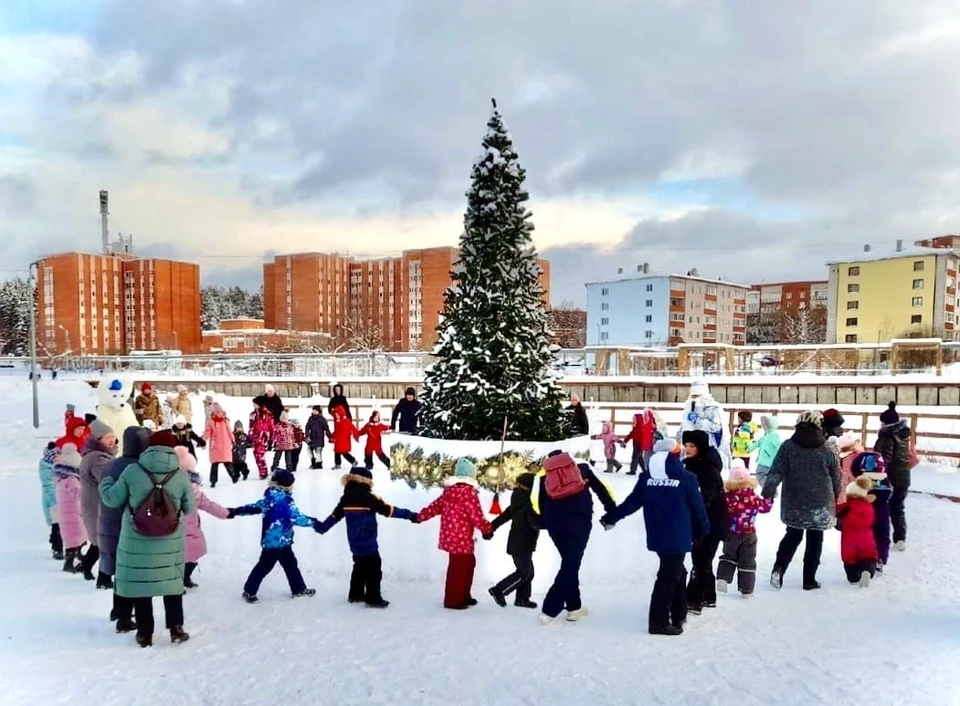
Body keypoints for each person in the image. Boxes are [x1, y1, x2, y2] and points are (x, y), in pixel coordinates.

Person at [600, 439, 709, 636]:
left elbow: (631, 503)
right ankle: (658, 622)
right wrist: (703, 530)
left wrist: (611, 517)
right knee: (668, 577)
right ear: (676, 456)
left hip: (657, 535)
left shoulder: (646, 478)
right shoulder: (686, 478)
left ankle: (679, 612)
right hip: (678, 536)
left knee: (677, 572)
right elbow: (698, 508)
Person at [99, 430, 197, 647]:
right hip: (169, 540)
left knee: (141, 585)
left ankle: (145, 633)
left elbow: (111, 499)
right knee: (171, 584)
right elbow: (190, 507)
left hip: (136, 539)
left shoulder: (132, 471)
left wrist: (105, 481)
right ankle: (176, 629)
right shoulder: (180, 474)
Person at [315, 467, 418, 608]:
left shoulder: (346, 498)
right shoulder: (368, 498)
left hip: (354, 541)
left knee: (359, 566)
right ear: (366, 481)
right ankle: (373, 598)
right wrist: (410, 515)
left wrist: (322, 528)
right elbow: (389, 511)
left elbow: (334, 517)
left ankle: (355, 595)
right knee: (374, 569)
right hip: (368, 540)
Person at [762, 410, 840, 591]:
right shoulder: (828, 448)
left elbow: (776, 471)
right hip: (821, 502)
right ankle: (809, 580)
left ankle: (779, 568)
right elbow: (836, 477)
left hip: (794, 500)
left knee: (792, 535)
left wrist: (768, 492)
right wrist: (837, 497)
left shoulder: (788, 446)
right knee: (815, 539)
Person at [535, 450, 616, 624]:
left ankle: (574, 607)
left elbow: (537, 501)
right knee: (571, 563)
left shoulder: (543, 474)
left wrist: (544, 522)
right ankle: (550, 609)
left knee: (570, 561)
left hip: (554, 521)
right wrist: (611, 511)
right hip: (579, 518)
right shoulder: (582, 466)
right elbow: (603, 488)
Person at [230, 469, 319, 603]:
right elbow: (296, 518)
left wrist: (237, 511)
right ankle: (249, 591)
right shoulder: (284, 500)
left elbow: (254, 507)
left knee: (290, 565)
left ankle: (299, 589)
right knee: (265, 566)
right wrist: (315, 522)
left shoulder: (270, 497)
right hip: (274, 542)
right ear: (286, 485)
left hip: (281, 540)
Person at [416, 458, 493, 610]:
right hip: (461, 538)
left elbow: (434, 507)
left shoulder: (449, 492)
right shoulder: (469, 494)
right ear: (471, 476)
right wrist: (487, 529)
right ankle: (453, 600)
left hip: (452, 537)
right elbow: (476, 516)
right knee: (459, 569)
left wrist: (420, 516)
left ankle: (464, 594)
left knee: (468, 564)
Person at [100, 426, 151, 632]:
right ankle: (124, 617)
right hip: (132, 527)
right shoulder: (140, 468)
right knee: (133, 573)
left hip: (110, 523)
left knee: (120, 571)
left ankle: (117, 610)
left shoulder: (114, 465)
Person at [681, 429, 727, 614]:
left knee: (701, 560)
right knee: (702, 558)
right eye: (686, 445)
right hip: (705, 520)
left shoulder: (705, 468)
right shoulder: (696, 464)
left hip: (710, 521)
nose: (687, 449)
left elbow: (705, 497)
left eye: (692, 446)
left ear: (700, 447)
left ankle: (694, 600)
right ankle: (709, 596)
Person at [716, 459, 773, 597]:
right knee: (748, 560)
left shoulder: (727, 497)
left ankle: (723, 578)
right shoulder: (752, 497)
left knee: (728, 556)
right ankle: (747, 590)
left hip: (731, 533)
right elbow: (765, 508)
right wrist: (769, 498)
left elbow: (719, 510)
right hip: (749, 534)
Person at [177, 447, 231, 589]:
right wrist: (226, 513)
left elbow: (207, 504)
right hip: (184, 529)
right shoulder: (189, 489)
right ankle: (180, 582)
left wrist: (226, 513)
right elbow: (209, 505)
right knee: (187, 557)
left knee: (187, 557)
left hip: (183, 528)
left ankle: (183, 579)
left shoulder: (178, 487)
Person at [485, 472, 540, 609]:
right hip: (522, 542)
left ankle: (522, 599)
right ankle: (499, 590)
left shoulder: (518, 499)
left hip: (521, 542)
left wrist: (492, 527)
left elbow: (504, 516)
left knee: (528, 572)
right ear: (529, 487)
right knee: (524, 573)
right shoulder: (528, 503)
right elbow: (535, 522)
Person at [79, 419, 118, 585]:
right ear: (97, 440)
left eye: (113, 437)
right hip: (98, 506)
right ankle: (103, 578)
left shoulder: (98, 455)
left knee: (100, 542)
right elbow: (107, 478)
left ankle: (87, 567)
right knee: (104, 542)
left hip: (95, 504)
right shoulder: (97, 458)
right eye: (107, 437)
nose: (112, 440)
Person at [873, 402, 912, 553]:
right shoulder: (903, 435)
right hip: (904, 477)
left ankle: (881, 539)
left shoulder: (887, 436)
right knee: (898, 507)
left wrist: (878, 474)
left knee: (882, 509)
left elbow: (884, 459)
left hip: (890, 479)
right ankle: (900, 538)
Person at [838, 476, 879, 587]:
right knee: (869, 558)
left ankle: (853, 577)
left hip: (849, 538)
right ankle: (866, 572)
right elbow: (872, 520)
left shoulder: (846, 507)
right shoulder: (868, 506)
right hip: (866, 537)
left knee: (849, 559)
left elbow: (837, 514)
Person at [678, 381, 729, 468]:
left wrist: (698, 421)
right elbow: (684, 426)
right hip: (689, 447)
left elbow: (717, 427)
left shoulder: (713, 408)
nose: (694, 399)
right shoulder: (688, 408)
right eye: (693, 396)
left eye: (697, 396)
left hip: (706, 447)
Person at [54, 443, 87, 574]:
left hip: (67, 513)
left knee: (74, 537)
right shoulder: (72, 479)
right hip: (73, 513)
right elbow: (78, 493)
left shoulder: (61, 478)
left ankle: (77, 555)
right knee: (74, 537)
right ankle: (69, 563)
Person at [203, 402, 238, 487]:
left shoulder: (226, 421)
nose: (219, 414)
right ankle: (213, 481)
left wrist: (233, 440)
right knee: (214, 464)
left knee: (228, 463)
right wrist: (203, 440)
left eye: (220, 412)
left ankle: (234, 476)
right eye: (217, 412)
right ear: (214, 413)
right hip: (215, 446)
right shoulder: (211, 423)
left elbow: (229, 431)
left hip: (225, 445)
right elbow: (207, 432)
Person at [38, 442, 62, 560]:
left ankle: (58, 545)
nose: (59, 458)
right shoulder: (47, 469)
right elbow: (49, 486)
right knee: (56, 525)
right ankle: (57, 548)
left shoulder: (56, 466)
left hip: (60, 500)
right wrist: (56, 501)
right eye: (57, 456)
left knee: (60, 525)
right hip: (52, 502)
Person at [622, 409, 659, 474]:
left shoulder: (641, 428)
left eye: (634, 420)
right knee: (639, 458)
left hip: (640, 445)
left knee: (635, 457)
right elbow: (631, 435)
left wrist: (644, 445)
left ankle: (633, 470)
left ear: (638, 420)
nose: (633, 421)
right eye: (633, 419)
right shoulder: (635, 428)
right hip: (635, 444)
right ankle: (645, 469)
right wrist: (625, 441)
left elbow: (646, 437)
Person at [752, 414, 783, 486]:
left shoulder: (773, 435)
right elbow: (759, 443)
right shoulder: (767, 435)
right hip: (765, 461)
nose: (764, 426)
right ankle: (770, 492)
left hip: (767, 462)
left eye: (766, 424)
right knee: (764, 477)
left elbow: (779, 446)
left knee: (760, 476)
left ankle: (770, 490)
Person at [249, 396, 275, 480]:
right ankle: (262, 471)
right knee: (256, 455)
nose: (253, 405)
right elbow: (251, 426)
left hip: (264, 437)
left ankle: (263, 472)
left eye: (255, 404)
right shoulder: (253, 415)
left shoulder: (267, 414)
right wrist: (250, 436)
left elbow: (271, 426)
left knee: (260, 454)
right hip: (255, 437)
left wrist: (271, 438)